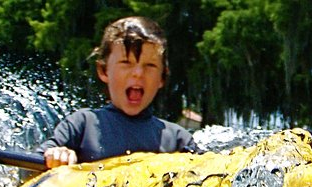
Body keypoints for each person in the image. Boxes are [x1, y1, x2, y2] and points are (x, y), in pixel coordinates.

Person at [39, 16, 199, 169]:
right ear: (103, 71)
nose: (138, 73)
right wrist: (56, 155)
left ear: (162, 78)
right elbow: (28, 172)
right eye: (126, 62)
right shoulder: (82, 126)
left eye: (150, 65)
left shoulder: (177, 140)